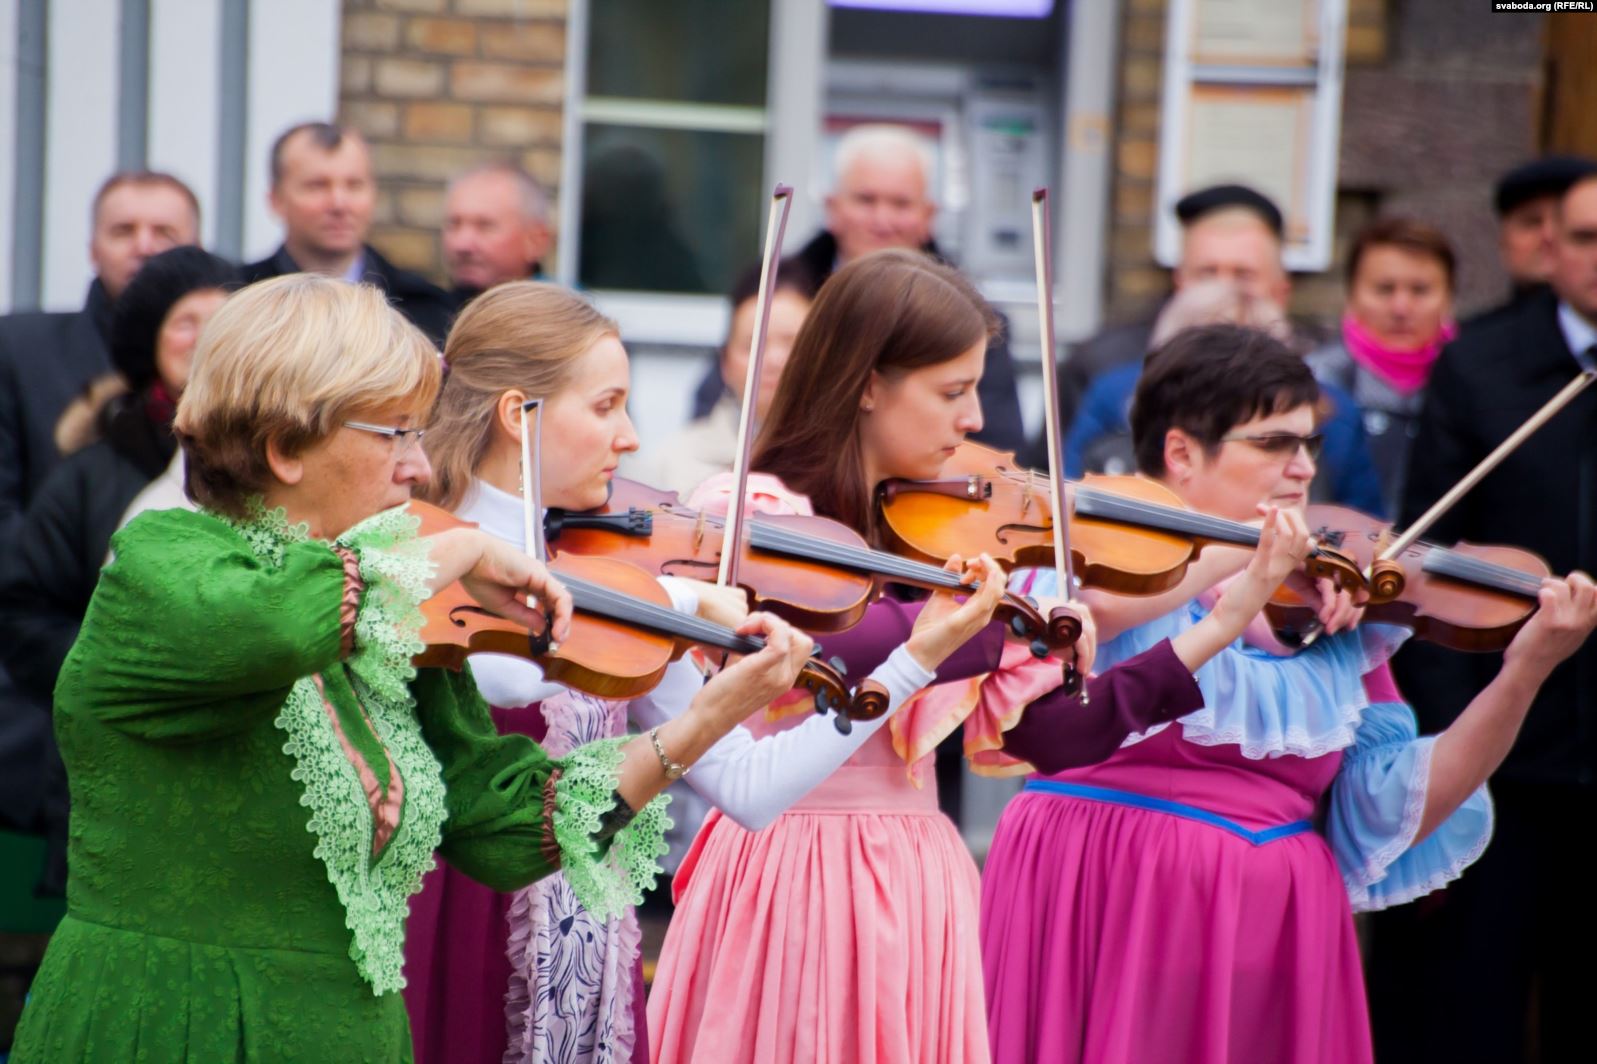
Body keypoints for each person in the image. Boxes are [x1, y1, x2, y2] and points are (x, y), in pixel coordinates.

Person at [5, 274, 826, 1062]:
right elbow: (271, 624)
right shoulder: (161, 563)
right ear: (286, 446)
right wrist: (462, 546)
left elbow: (511, 826)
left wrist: (708, 718)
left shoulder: (386, 608)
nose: (421, 467)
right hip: (177, 1027)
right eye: (395, 432)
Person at [645, 251, 1343, 1064]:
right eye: (951, 392)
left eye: (976, 389)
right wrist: (1000, 622)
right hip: (793, 870)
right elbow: (833, 640)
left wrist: (1224, 617)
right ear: (868, 383)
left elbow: (1057, 738)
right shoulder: (750, 515)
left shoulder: (955, 550)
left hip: (917, 875)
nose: (975, 420)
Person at [404, 279, 1011, 1063]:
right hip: (460, 919)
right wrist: (681, 594)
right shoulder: (429, 554)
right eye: (605, 406)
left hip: (581, 949)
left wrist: (911, 661)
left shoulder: (614, 581)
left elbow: (751, 789)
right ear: (520, 415)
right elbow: (510, 677)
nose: (629, 437)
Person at [979, 323, 1597, 1064]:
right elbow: (1067, 642)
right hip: (1102, 894)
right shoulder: (1084, 555)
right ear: (1180, 452)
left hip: (1272, 928)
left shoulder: (1333, 616)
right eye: (1272, 443)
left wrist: (1521, 675)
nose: (1302, 469)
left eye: (1307, 444)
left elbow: (1388, 810)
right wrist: (1239, 560)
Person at [1370, 173, 1597, 1062]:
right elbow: (1424, 564)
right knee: (1468, 1001)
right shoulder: (1482, 363)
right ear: (1549, 249)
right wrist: (1446, 743)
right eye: (1583, 238)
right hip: (1501, 754)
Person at [0, 246, 234, 897]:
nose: (206, 339)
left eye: (223, 321)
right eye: (186, 322)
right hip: (107, 763)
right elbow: (22, 610)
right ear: (149, 341)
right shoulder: (90, 477)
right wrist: (114, 669)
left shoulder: (270, 466)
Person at [687, 124, 1027, 453]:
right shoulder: (779, 292)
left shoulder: (974, 319)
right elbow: (721, 398)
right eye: (866, 200)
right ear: (833, 209)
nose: (881, 220)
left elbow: (993, 446)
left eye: (900, 204)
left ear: (928, 215)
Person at [1033, 183, 1296, 456]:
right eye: (1207, 273)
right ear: (1179, 281)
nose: (1222, 290)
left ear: (1281, 291)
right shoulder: (1101, 366)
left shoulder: (1317, 376)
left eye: (1243, 275)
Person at [241, 122, 454, 344]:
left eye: (354, 185)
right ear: (276, 200)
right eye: (317, 186)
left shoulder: (425, 310)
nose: (339, 204)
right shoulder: (240, 303)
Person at [1305, 218, 1457, 518]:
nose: (1401, 308)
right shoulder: (1314, 383)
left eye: (1420, 290)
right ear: (1351, 295)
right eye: (1384, 289)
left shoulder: (1478, 384)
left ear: (1449, 297)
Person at [633, 258, 816, 499]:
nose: (774, 361)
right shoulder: (673, 462)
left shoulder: (847, 461)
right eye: (753, 345)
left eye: (792, 343)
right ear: (725, 364)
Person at [1471, 154, 1597, 324]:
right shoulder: (1473, 345)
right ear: (1503, 241)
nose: (1547, 235)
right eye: (1532, 222)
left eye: (1561, 221)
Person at [443, 162, 554, 306]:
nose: (462, 244)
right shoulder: (425, 315)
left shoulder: (571, 322)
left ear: (536, 241)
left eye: (484, 225)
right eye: (454, 224)